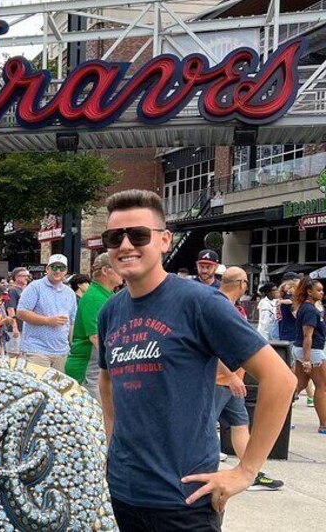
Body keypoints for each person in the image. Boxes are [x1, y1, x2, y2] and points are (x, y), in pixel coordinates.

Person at [96, 189, 296, 529]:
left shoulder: (200, 303)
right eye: (115, 237)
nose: (126, 245)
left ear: (163, 241)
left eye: (138, 235)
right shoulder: (110, 311)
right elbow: (107, 381)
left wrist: (245, 471)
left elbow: (281, 379)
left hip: (184, 498)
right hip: (125, 492)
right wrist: (111, 450)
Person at [215, 267, 284, 490]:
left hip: (232, 383)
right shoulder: (219, 308)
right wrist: (230, 376)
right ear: (242, 284)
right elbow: (212, 349)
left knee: (240, 424)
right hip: (218, 382)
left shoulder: (230, 308)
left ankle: (250, 472)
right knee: (204, 428)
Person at [64, 253, 121, 401]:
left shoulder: (106, 295)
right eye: (118, 265)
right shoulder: (95, 297)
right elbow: (96, 337)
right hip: (88, 370)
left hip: (95, 369)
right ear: (105, 271)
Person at [16, 254, 77, 372]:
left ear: (66, 271)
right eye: (54, 267)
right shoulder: (35, 287)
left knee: (59, 389)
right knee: (36, 388)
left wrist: (72, 346)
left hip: (62, 351)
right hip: (36, 351)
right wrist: (48, 321)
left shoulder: (70, 293)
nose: (57, 271)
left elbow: (72, 322)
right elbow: (21, 312)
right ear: (47, 269)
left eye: (61, 268)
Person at [292, 276, 326, 435]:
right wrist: (307, 360)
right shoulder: (310, 310)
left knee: (299, 385)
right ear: (309, 291)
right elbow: (308, 336)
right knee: (322, 387)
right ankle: (324, 424)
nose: (322, 293)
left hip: (303, 350)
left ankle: (280, 415)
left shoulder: (305, 308)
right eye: (318, 290)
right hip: (312, 352)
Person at [5, 267, 30, 356]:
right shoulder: (13, 291)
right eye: (23, 276)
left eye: (27, 276)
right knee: (14, 354)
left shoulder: (26, 290)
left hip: (25, 327)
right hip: (16, 328)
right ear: (16, 277)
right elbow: (10, 309)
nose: (26, 278)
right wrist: (14, 327)